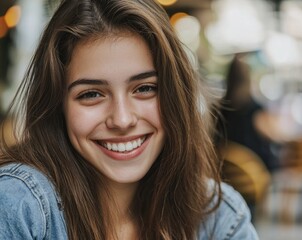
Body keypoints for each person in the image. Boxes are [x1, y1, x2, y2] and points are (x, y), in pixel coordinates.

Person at [0, 0, 258, 239]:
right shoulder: (20, 205)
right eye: (91, 94)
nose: (122, 120)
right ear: (58, 106)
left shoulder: (220, 217)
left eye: (145, 88)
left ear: (175, 95)